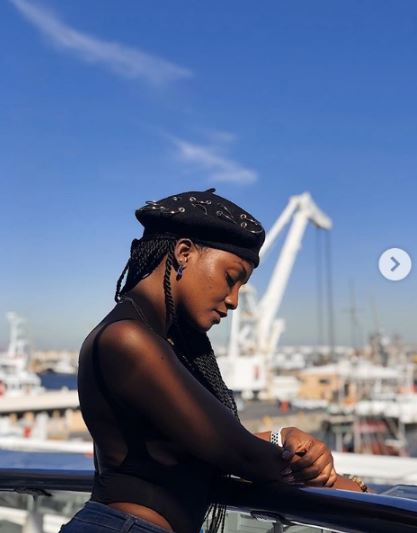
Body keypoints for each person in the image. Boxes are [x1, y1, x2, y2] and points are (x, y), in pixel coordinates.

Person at [60, 189, 365, 533]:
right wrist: (349, 489)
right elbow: (241, 456)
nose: (234, 301)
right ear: (184, 253)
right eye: (231, 278)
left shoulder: (157, 340)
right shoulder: (127, 340)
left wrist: (283, 437)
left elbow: (199, 446)